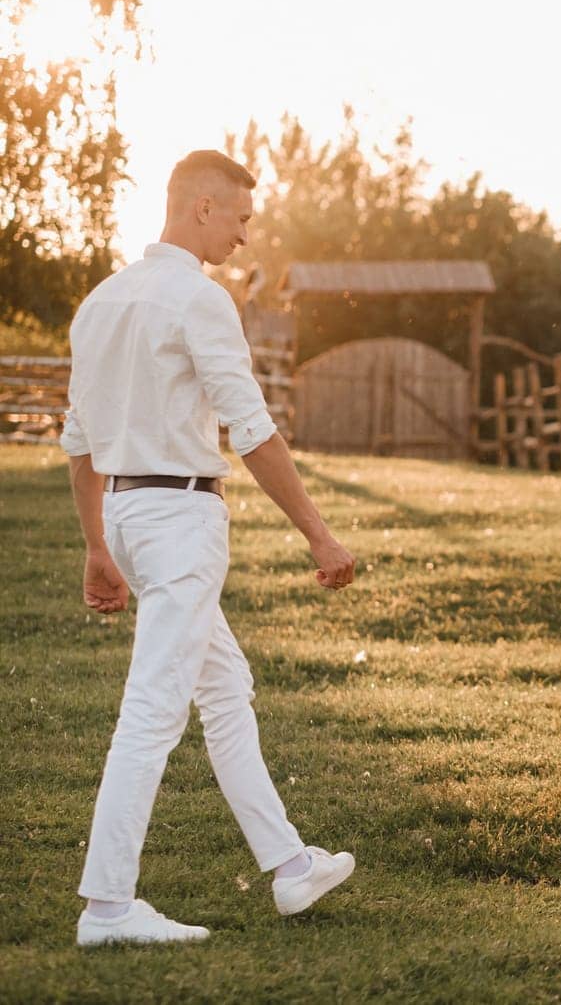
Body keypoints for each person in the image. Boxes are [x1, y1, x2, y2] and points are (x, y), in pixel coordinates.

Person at [62, 150, 359, 947]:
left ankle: (291, 864)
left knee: (226, 689)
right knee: (152, 711)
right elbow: (251, 429)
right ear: (200, 207)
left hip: (129, 514)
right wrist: (318, 532)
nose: (246, 233)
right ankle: (108, 906)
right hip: (181, 520)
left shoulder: (98, 303)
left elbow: (81, 444)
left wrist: (98, 546)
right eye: (240, 217)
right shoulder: (200, 298)